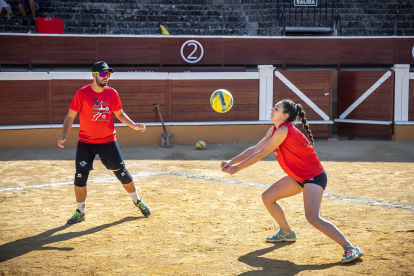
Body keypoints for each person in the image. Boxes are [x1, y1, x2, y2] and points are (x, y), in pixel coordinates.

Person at [221, 99, 364, 264]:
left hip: (313, 177)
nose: (272, 109)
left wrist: (237, 169)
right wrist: (231, 162)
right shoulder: (274, 130)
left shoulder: (283, 131)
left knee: (312, 217)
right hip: (298, 176)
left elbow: (261, 154)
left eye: (276, 108)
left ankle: (349, 247)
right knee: (268, 197)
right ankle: (287, 233)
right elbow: (255, 149)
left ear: (285, 115)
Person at [58, 61, 151, 224]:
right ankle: (80, 211)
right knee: (80, 177)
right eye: (102, 74)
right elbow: (70, 116)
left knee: (122, 174)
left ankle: (138, 201)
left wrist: (134, 125)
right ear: (93, 75)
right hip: (85, 142)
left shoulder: (112, 93)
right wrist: (64, 134)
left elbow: (120, 114)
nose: (106, 77)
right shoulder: (82, 93)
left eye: (108, 74)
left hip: (108, 141)